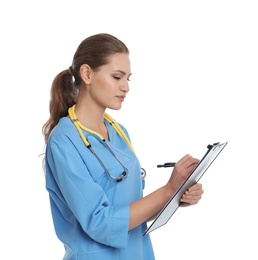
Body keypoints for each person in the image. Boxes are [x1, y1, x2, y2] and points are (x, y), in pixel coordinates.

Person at [42, 33, 204, 260]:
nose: (126, 87)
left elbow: (131, 211)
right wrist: (167, 189)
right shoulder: (64, 141)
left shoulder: (118, 132)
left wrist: (177, 195)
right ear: (87, 74)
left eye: (128, 78)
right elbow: (101, 222)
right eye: (117, 77)